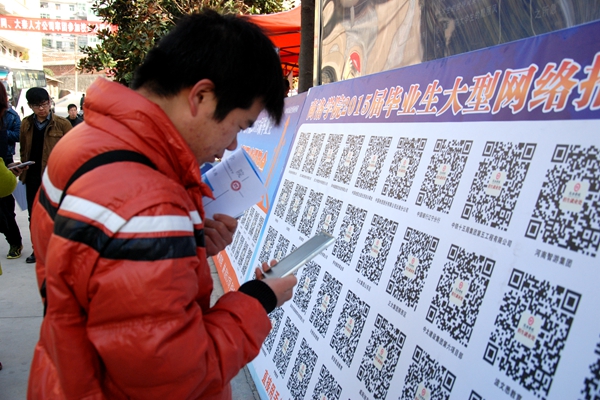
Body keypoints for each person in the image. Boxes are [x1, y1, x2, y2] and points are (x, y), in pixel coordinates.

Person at [27, 10, 295, 400]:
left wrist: (185, 249)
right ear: (201, 96)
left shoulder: (82, 142)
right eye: (238, 125)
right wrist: (258, 299)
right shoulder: (149, 204)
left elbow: (91, 274)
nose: (232, 145)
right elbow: (177, 376)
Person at [18, 87, 71, 264]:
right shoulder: (26, 124)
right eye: (37, 106)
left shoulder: (62, 124)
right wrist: (22, 167)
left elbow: (72, 151)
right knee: (34, 216)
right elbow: (23, 150)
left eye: (44, 104)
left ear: (50, 102)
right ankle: (38, 250)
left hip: (55, 179)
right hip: (32, 177)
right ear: (30, 106)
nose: (42, 108)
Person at [0, 83, 23, 259]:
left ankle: (15, 242)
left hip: (4, 162)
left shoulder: (9, 115)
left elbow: (18, 135)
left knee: (6, 212)